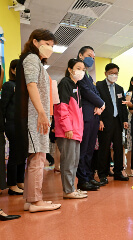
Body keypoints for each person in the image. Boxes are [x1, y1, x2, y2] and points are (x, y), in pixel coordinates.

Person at [15, 28, 61, 212]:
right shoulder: (32, 58)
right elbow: (31, 84)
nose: (50, 48)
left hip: (36, 115)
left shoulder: (34, 61)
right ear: (35, 42)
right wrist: (42, 112)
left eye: (52, 45)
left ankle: (30, 199)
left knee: (37, 157)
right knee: (38, 157)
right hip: (34, 116)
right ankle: (35, 201)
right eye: (47, 44)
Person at [54, 59, 87, 199]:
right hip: (68, 130)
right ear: (69, 69)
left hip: (76, 131)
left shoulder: (76, 86)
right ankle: (68, 190)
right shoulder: (65, 84)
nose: (81, 71)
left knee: (74, 162)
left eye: (83, 69)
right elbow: (62, 108)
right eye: (78, 68)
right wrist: (67, 128)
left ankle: (71, 188)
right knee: (68, 162)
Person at [76, 46, 105, 191]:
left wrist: (100, 107)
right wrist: (101, 103)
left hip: (94, 116)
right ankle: (82, 180)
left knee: (90, 150)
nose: (91, 59)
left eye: (93, 57)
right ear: (81, 55)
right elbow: (86, 92)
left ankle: (88, 176)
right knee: (83, 149)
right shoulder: (79, 74)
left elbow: (95, 92)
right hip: (85, 116)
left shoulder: (88, 75)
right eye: (89, 55)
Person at [96, 63, 129, 184]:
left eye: (116, 73)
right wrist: (98, 119)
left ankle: (118, 172)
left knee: (118, 148)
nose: (113, 75)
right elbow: (96, 103)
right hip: (104, 121)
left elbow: (122, 106)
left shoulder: (120, 88)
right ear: (105, 73)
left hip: (117, 121)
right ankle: (102, 174)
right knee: (104, 148)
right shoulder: (99, 85)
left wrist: (125, 120)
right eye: (111, 73)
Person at [2, 59, 25, 195]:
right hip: (12, 124)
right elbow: (3, 106)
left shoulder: (25, 85)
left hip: (23, 124)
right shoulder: (9, 85)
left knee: (22, 153)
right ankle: (11, 184)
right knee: (15, 154)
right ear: (13, 70)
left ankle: (19, 180)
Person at [124, 76, 133, 177]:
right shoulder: (129, 93)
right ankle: (128, 168)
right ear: (132, 82)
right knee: (130, 146)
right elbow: (130, 108)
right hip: (131, 121)